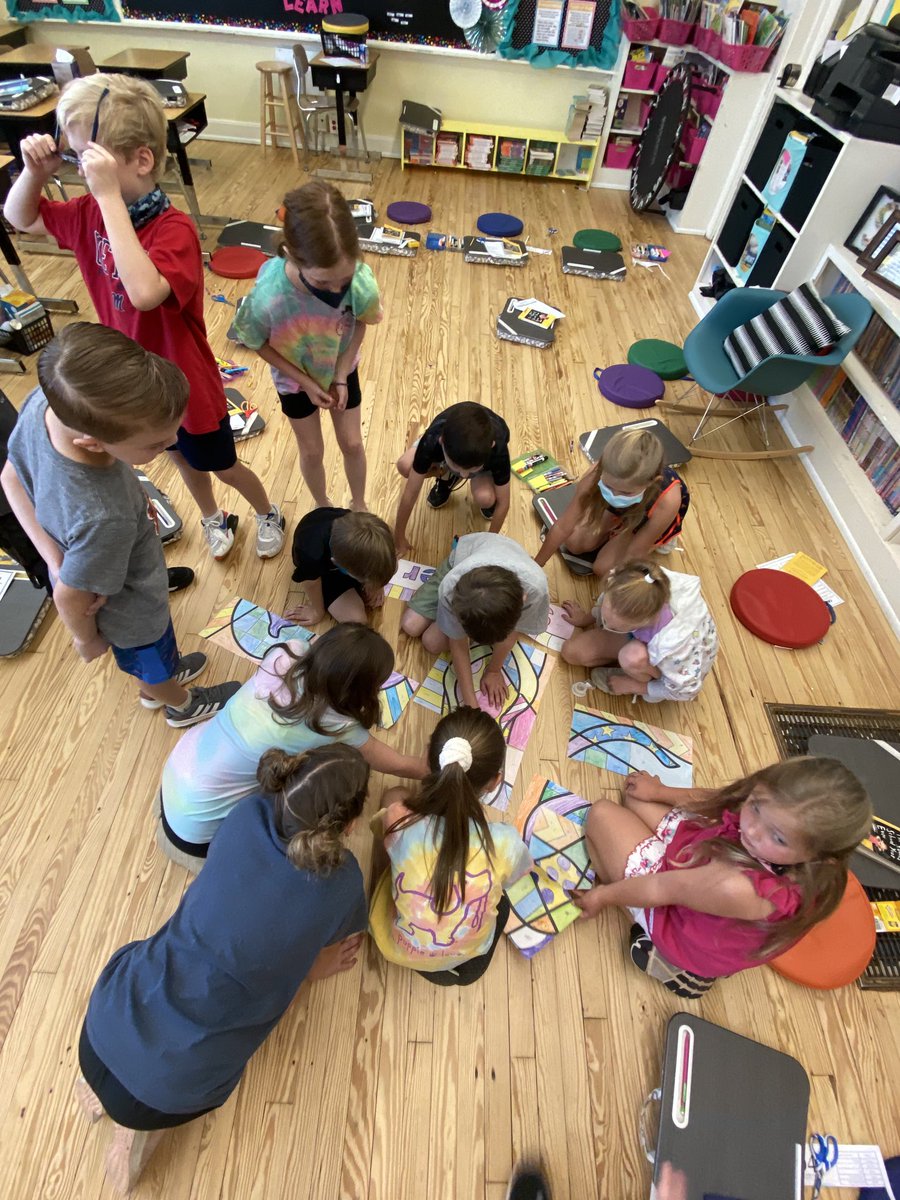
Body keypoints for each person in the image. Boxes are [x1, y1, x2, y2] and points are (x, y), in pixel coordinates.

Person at [3, 73, 285, 562]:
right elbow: (20, 217)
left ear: (140, 160)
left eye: (89, 161)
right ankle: (212, 516)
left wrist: (108, 196)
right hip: (135, 385)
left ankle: (266, 510)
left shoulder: (172, 230)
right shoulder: (93, 210)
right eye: (75, 159)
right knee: (175, 457)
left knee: (221, 463)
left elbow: (144, 293)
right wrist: (36, 173)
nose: (83, 175)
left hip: (187, 384)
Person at [74, 744, 371, 1194]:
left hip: (100, 1027)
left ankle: (102, 1094)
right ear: (349, 826)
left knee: (150, 1000)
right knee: (147, 1094)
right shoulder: (343, 880)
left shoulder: (247, 814)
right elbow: (309, 940)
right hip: (164, 1091)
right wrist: (317, 964)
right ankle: (127, 1133)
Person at [1, 323, 239, 727]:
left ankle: (161, 677)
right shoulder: (103, 515)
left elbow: (9, 477)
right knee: (149, 660)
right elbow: (69, 599)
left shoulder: (47, 403)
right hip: (131, 610)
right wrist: (86, 637)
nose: (170, 444)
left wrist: (57, 562)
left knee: (155, 656)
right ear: (92, 442)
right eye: (155, 444)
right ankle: (177, 702)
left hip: (120, 563)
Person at [572, 756, 872, 990]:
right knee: (636, 797)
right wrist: (660, 791)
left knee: (600, 815)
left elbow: (659, 888)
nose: (751, 829)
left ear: (815, 856)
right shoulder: (804, 853)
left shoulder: (740, 888)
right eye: (754, 807)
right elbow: (720, 799)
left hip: (685, 914)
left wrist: (602, 896)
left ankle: (673, 966)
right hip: (707, 867)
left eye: (778, 837)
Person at [158, 623, 427, 866]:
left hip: (176, 777)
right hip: (198, 837)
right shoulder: (334, 723)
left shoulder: (288, 653)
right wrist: (429, 766)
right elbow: (390, 762)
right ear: (360, 691)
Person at [231, 180, 383, 511]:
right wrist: (306, 383)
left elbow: (361, 321)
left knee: (353, 443)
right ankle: (322, 504)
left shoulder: (359, 280)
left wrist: (341, 373)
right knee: (312, 451)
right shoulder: (267, 296)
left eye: (342, 281)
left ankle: (359, 503)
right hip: (294, 381)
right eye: (322, 282)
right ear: (290, 254)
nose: (335, 290)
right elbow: (257, 342)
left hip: (340, 367)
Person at [369, 708, 532, 985]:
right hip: (468, 953)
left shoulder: (400, 818)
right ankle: (455, 963)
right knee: (501, 904)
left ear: (429, 760)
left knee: (394, 795)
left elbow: (383, 841)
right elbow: (514, 877)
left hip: (395, 948)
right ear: (495, 782)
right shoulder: (505, 843)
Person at [400, 532, 550, 709]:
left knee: (432, 641)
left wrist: (494, 670)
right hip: (465, 554)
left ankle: (439, 612)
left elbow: (512, 633)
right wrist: (471, 704)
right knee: (411, 626)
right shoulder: (451, 586)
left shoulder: (535, 589)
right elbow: (458, 644)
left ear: (523, 599)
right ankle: (435, 604)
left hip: (505, 556)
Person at [534, 428, 688, 578]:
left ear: (652, 483)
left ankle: (653, 538)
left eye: (625, 492)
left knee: (603, 569)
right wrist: (535, 566)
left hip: (647, 515)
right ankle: (618, 525)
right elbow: (563, 526)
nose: (614, 495)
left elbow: (634, 553)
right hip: (623, 509)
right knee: (574, 543)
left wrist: (601, 604)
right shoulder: (596, 474)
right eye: (608, 486)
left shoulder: (668, 501)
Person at [563, 561, 717, 703]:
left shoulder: (676, 649)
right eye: (605, 619)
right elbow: (609, 603)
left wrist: (633, 686)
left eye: (614, 627)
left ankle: (640, 675)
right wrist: (586, 619)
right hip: (642, 637)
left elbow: (686, 691)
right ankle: (631, 662)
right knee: (572, 652)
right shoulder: (631, 585)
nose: (605, 625)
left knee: (631, 657)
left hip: (670, 671)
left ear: (642, 623)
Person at [393, 401, 511, 556]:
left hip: (469, 456)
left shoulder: (498, 448)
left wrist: (487, 545)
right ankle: (445, 476)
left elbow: (504, 503)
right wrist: (399, 537)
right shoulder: (432, 440)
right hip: (444, 450)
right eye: (457, 469)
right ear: (442, 442)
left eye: (471, 470)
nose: (464, 476)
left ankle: (450, 472)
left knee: (486, 498)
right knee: (405, 465)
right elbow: (410, 494)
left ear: (492, 446)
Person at [289, 507, 396, 625]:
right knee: (358, 621)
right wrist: (317, 611)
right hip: (323, 573)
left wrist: (377, 585)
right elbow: (311, 583)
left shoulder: (361, 527)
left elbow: (386, 561)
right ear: (337, 564)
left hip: (343, 552)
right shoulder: (311, 556)